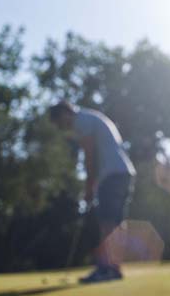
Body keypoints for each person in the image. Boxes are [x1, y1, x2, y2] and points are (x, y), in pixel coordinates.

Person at [48, 101, 136, 283]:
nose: (61, 127)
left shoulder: (81, 120)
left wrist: (89, 187)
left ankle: (106, 269)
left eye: (59, 122)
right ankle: (114, 268)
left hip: (111, 174)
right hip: (124, 172)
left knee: (107, 221)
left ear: (65, 113)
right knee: (117, 222)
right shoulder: (90, 117)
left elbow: (90, 156)